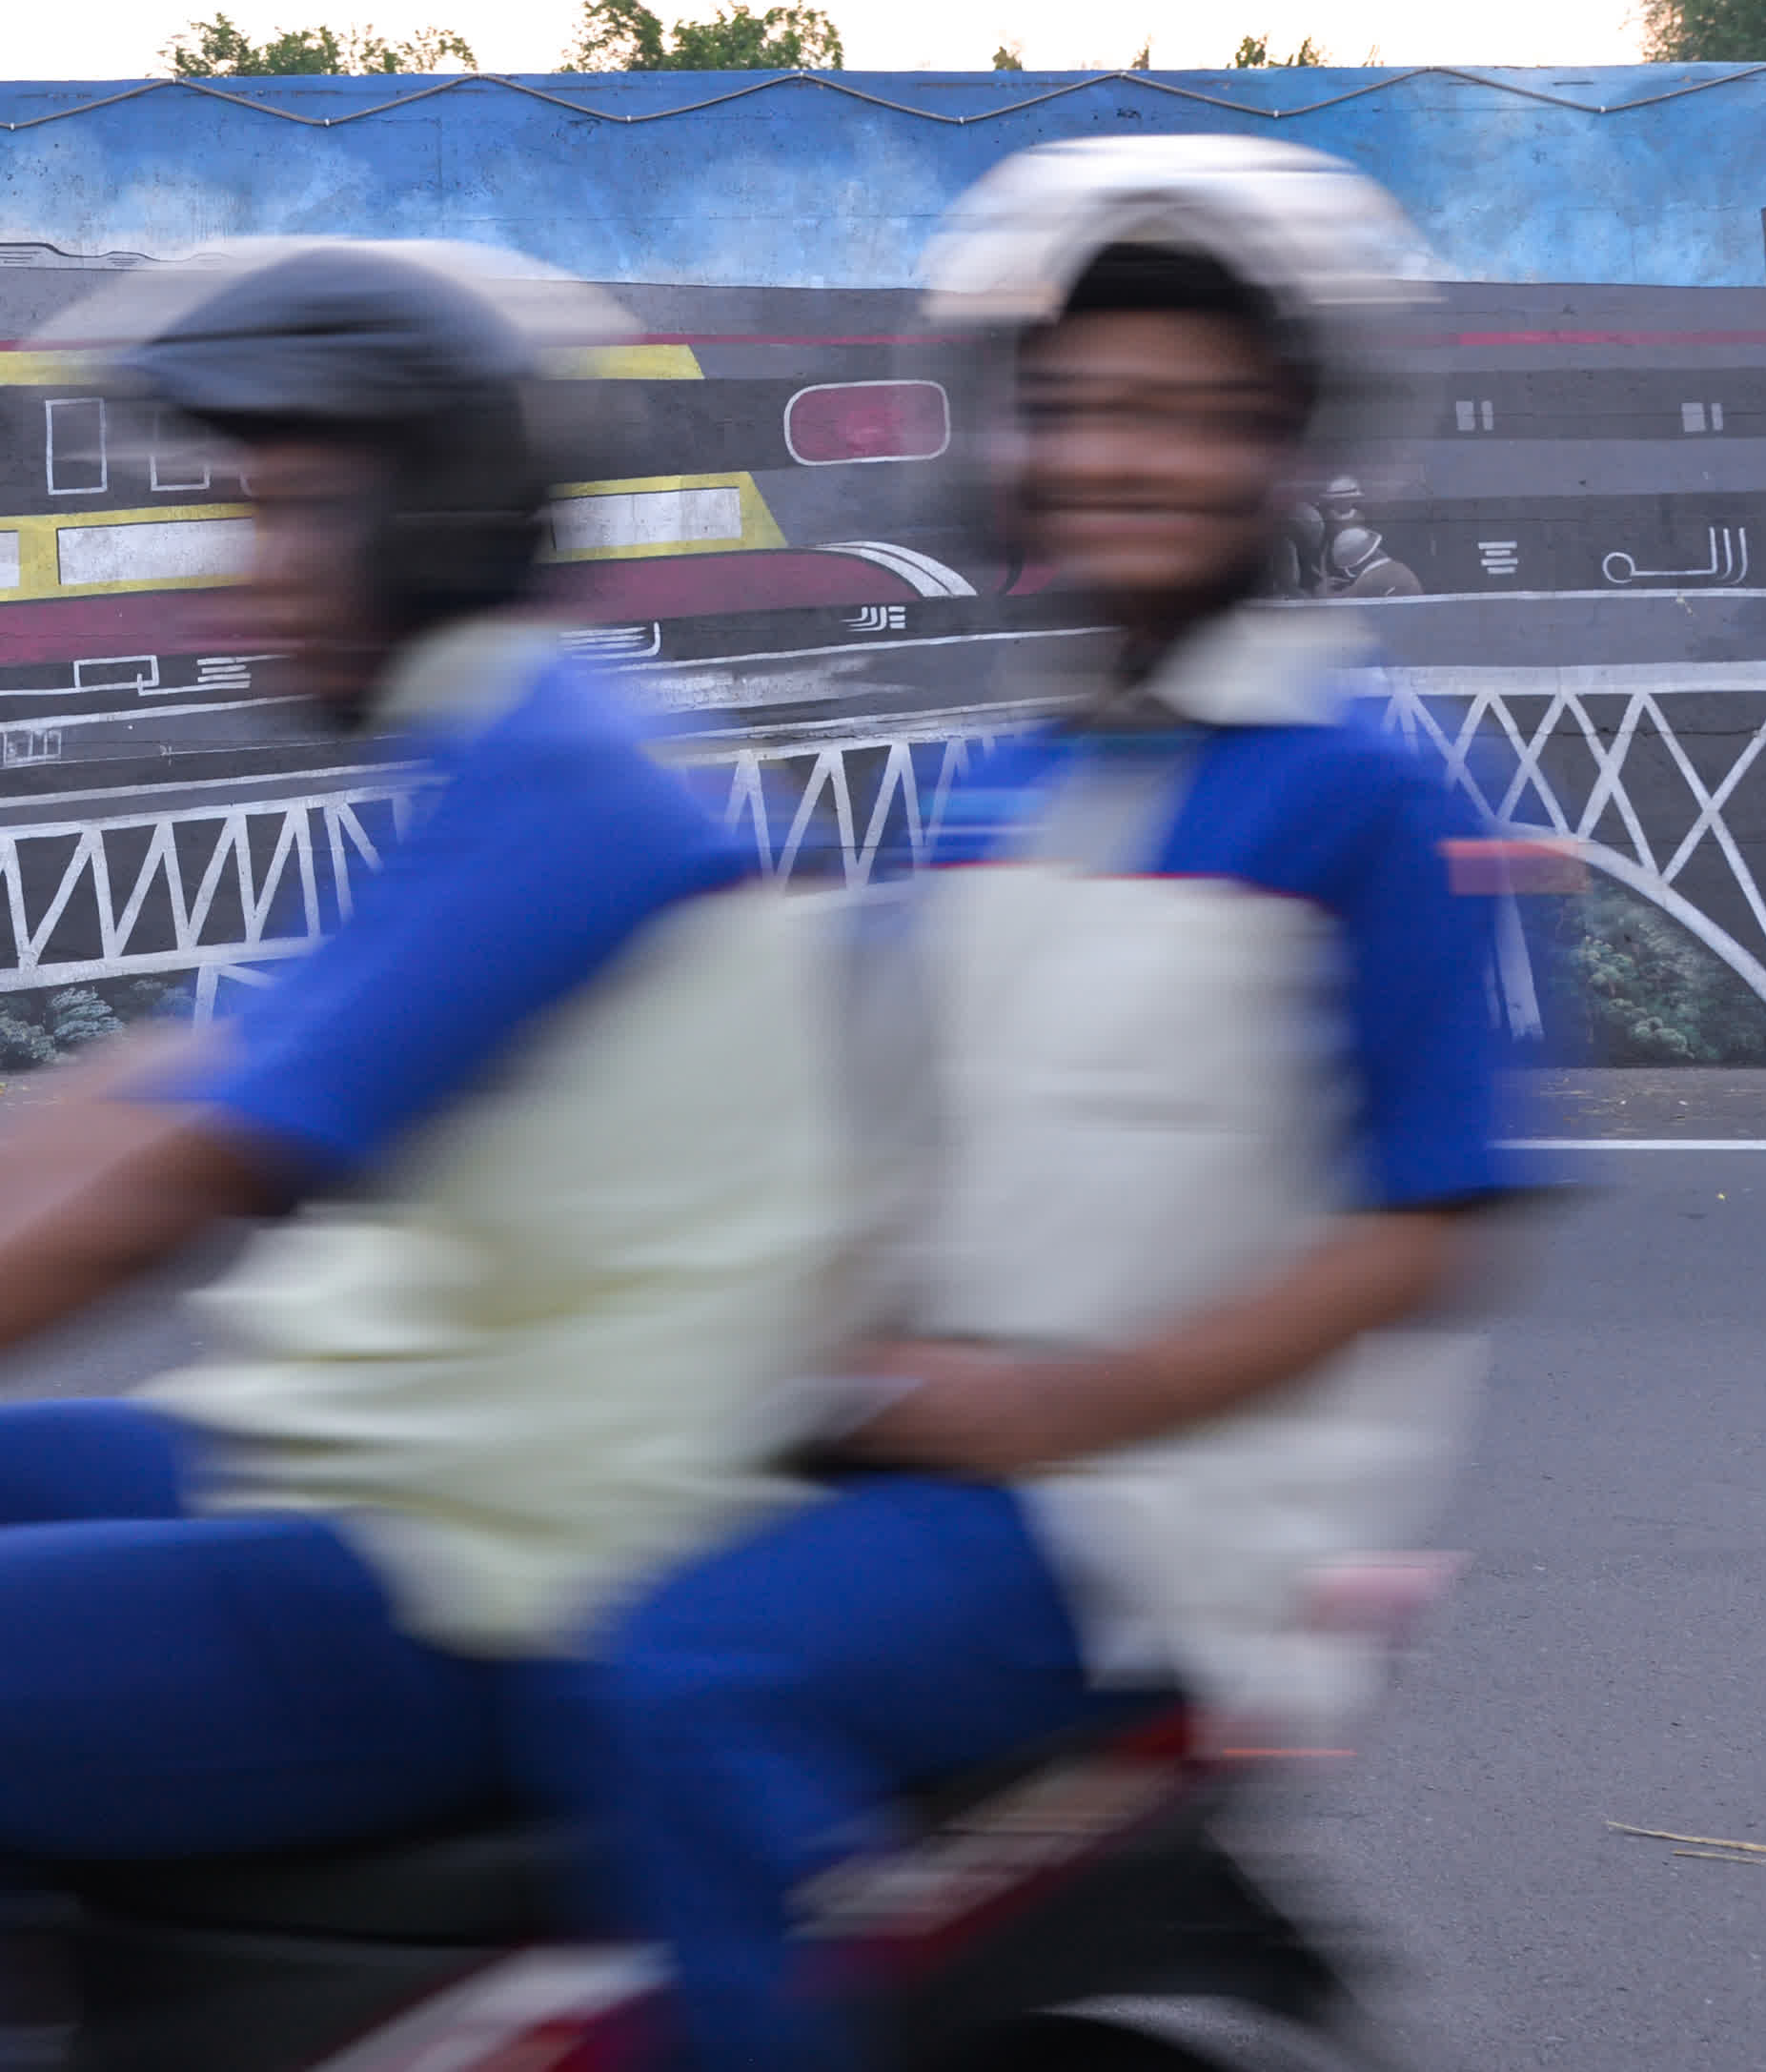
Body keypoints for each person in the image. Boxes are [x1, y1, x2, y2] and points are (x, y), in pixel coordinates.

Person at [0, 239, 861, 2072]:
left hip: (489, 1564)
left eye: (293, 518)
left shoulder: (553, 776)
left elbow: (185, 1179)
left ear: (434, 512)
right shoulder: (504, 743)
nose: (242, 582)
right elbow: (172, 1076)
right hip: (402, 1458)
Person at [586, 136, 1532, 2072]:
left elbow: (1428, 1220)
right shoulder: (1007, 775)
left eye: (1190, 416)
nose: (1124, 454)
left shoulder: (1367, 789)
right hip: (920, 1440)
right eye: (1084, 406)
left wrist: (1046, 1405)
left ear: (1285, 452)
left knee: (672, 1679)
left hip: (1134, 1511)